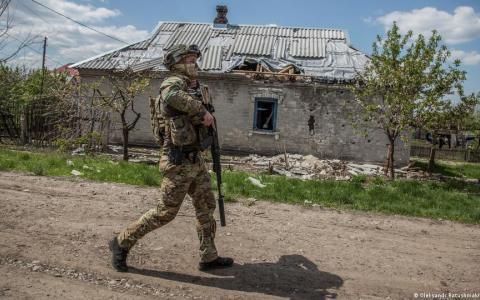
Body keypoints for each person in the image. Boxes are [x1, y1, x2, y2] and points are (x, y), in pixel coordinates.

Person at [109, 44, 233, 272]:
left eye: (195, 60)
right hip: (177, 162)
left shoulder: (192, 86)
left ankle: (208, 256)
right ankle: (121, 242)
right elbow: (171, 96)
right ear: (176, 64)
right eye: (189, 60)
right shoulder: (172, 82)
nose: (193, 64)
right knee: (165, 212)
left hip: (196, 160)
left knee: (206, 207)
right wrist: (202, 111)